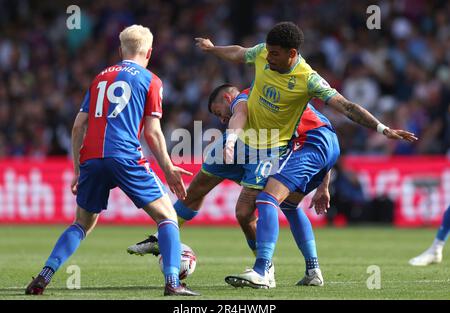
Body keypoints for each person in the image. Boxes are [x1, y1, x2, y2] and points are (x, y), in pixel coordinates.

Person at [195, 21, 417, 289]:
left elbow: (345, 107)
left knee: (267, 199)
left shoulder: (307, 79)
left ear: (292, 54)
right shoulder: (264, 53)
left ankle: (263, 271)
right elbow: (239, 52)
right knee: (288, 204)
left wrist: (383, 129)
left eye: (275, 53)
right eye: (268, 51)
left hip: (313, 142)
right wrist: (212, 48)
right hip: (318, 144)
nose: (269, 57)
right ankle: (313, 270)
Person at [25, 25, 199, 296]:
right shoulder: (151, 80)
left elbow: (77, 126)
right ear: (149, 52)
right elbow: (152, 132)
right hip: (125, 156)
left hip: (92, 159)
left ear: (121, 50)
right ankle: (173, 283)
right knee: (167, 218)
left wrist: (76, 170)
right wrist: (168, 168)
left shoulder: (99, 78)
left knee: (81, 224)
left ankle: (44, 276)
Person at [127, 85, 332, 287]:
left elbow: (320, 136)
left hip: (262, 149)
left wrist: (324, 183)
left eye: (219, 113)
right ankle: (160, 236)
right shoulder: (260, 96)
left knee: (246, 212)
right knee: (199, 186)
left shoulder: (256, 94)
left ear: (227, 98)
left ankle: (265, 268)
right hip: (236, 142)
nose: (221, 119)